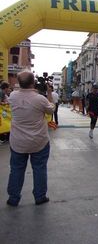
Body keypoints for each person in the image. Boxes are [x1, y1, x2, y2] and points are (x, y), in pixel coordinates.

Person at [6, 71, 55, 206]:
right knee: (39, 168)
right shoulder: (40, 99)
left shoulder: (12, 96)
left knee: (16, 169)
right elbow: (51, 110)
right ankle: (40, 197)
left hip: (18, 142)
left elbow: (15, 93)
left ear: (19, 83)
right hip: (39, 141)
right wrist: (49, 93)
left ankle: (13, 198)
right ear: (33, 83)